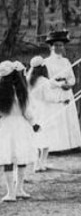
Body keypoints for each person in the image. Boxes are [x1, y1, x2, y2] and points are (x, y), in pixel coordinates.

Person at [0, 61, 39, 202]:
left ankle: (11, 193)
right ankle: (19, 189)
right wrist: (34, 124)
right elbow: (27, 111)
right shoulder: (21, 91)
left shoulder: (2, 92)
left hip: (6, 127)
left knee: (8, 159)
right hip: (21, 126)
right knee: (21, 157)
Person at [43, 30, 81, 152]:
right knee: (57, 117)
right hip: (55, 92)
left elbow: (72, 77)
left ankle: (72, 145)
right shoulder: (47, 62)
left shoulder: (66, 61)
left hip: (66, 91)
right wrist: (60, 84)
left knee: (69, 117)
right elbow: (46, 80)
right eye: (56, 45)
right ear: (51, 47)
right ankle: (57, 147)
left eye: (61, 45)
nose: (59, 48)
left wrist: (70, 84)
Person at [27, 57, 68, 172]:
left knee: (37, 137)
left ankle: (37, 163)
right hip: (44, 110)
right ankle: (41, 163)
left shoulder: (28, 80)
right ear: (43, 68)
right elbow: (49, 97)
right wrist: (61, 100)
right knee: (46, 136)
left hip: (33, 109)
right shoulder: (44, 81)